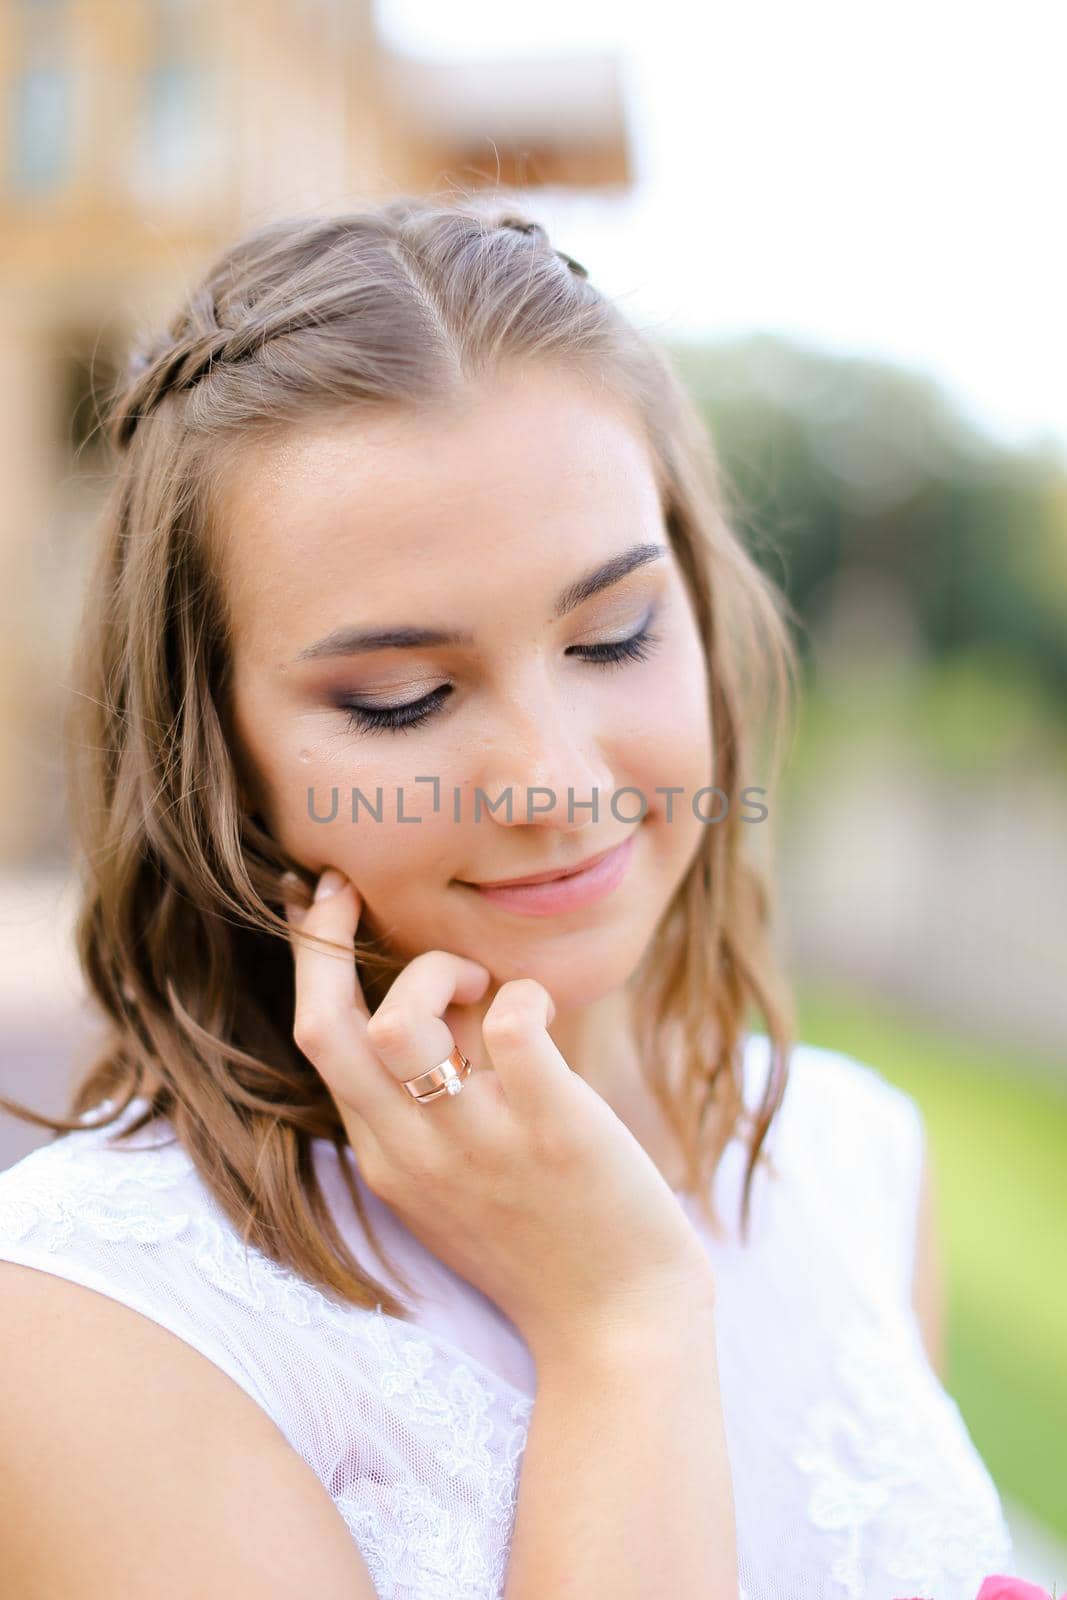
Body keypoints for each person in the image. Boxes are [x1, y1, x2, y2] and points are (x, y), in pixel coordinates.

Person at [0, 194, 1012, 1598]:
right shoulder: (88, 1318)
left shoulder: (852, 1160)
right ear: (215, 756)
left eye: (615, 637)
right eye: (404, 700)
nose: (554, 778)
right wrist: (621, 1330)